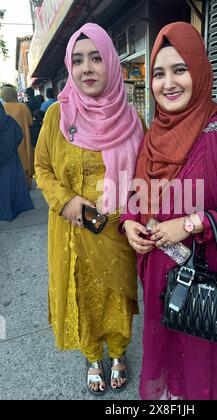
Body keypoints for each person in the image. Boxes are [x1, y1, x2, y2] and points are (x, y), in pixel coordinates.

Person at [121, 22, 217, 400]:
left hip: (205, 282)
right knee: (164, 356)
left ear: (200, 71)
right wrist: (129, 224)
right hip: (158, 276)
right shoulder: (152, 137)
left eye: (180, 69)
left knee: (201, 365)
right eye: (158, 73)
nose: (168, 83)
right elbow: (138, 199)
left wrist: (189, 224)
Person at [34, 23, 144, 396]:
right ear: (69, 67)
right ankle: (92, 356)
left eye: (96, 57)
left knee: (117, 296)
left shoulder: (131, 121)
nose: (87, 68)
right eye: (78, 60)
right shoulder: (57, 117)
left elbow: (143, 178)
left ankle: (118, 352)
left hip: (115, 232)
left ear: (111, 62)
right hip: (72, 232)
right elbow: (42, 168)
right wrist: (66, 201)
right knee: (81, 297)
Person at [0, 103, 34, 221]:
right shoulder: (9, 120)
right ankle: (16, 206)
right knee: (14, 183)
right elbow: (19, 134)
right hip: (11, 158)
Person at [1, 85, 34, 189]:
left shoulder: (3, 108)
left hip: (7, 140)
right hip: (23, 138)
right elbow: (30, 122)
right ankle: (26, 183)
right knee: (25, 160)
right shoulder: (23, 107)